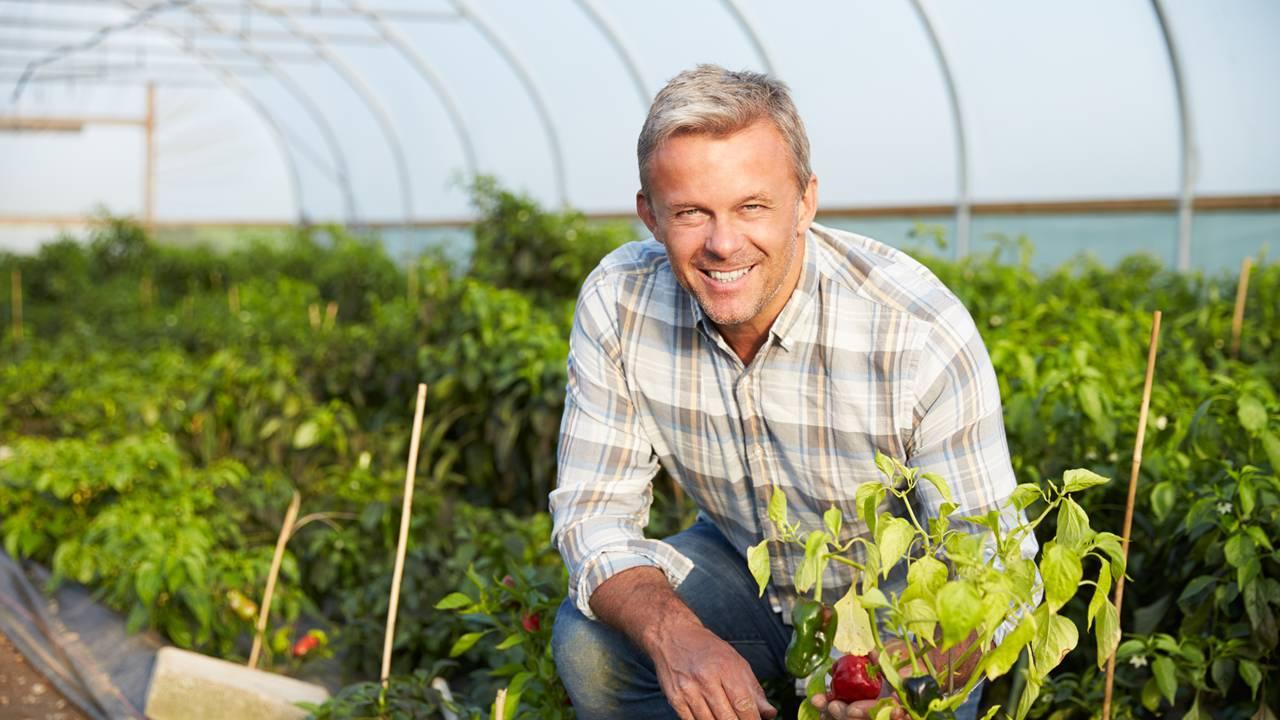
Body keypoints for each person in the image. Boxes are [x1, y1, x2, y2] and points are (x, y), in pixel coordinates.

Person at [549, 64, 1032, 720]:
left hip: (896, 606)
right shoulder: (620, 303)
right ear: (650, 216)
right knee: (592, 644)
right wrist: (677, 636)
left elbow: (996, 568)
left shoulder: (914, 330)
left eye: (753, 206)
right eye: (691, 212)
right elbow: (593, 511)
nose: (723, 244)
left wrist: (900, 670)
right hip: (743, 575)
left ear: (804, 201)